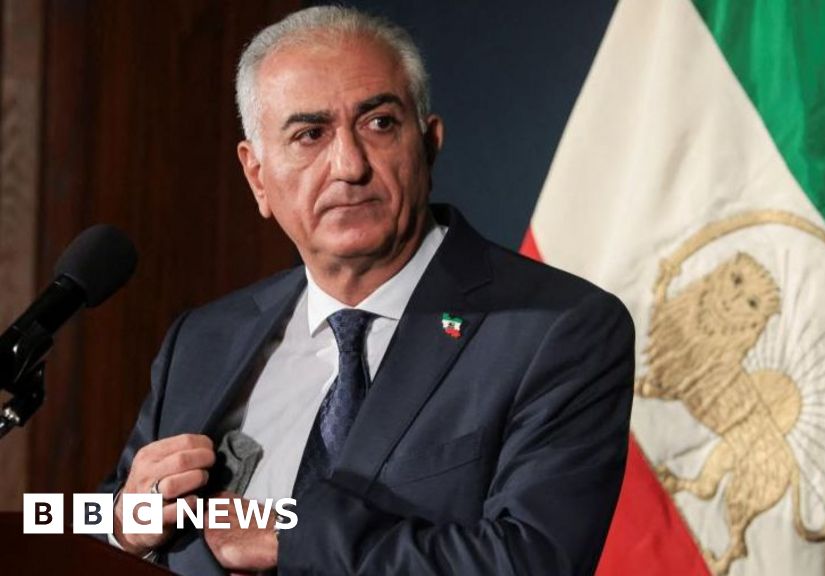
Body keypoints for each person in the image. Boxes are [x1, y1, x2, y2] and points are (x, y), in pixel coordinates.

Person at [100, 6, 634, 574]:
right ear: (257, 177)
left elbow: (533, 560)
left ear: (428, 144)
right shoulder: (204, 339)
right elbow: (82, 516)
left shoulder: (555, 329)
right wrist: (119, 524)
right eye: (309, 135)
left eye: (379, 123)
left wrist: (291, 535)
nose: (349, 165)